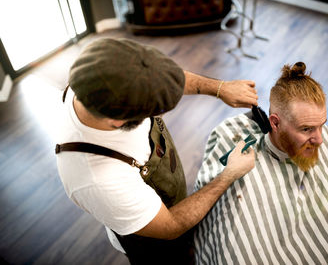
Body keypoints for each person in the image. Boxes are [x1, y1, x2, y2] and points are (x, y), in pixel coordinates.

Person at [55, 37, 257, 264]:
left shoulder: (96, 74)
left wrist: (220, 88)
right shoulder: (100, 180)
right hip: (155, 243)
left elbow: (159, 78)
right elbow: (171, 226)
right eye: (155, 110)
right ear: (119, 121)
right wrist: (228, 174)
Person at [194, 62, 328, 264]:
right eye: (306, 129)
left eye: (321, 126)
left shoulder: (321, 138)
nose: (319, 139)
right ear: (274, 122)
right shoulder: (242, 156)